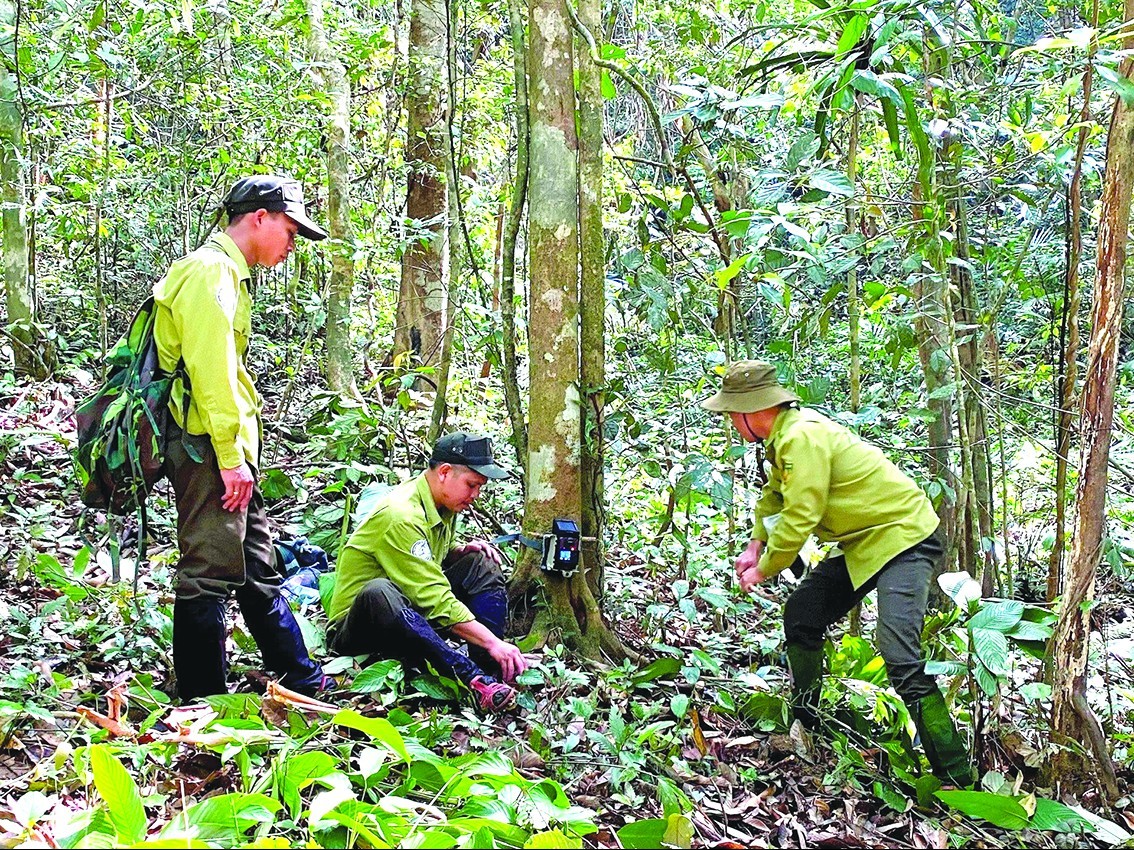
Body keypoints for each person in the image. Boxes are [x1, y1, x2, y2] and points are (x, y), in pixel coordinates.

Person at [701, 360, 973, 787]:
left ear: (753, 411)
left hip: (903, 538)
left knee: (900, 657)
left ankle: (957, 777)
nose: (732, 423)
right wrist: (756, 542)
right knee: (803, 613)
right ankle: (807, 723)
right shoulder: (784, 437)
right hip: (865, 543)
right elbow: (775, 498)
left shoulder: (801, 438)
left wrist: (766, 568)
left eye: (733, 415)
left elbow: (800, 515)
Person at [154, 174, 328, 701]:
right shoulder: (210, 273)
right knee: (207, 572)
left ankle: (300, 675)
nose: (293, 243)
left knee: (256, 564)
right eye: (290, 230)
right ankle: (201, 703)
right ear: (260, 218)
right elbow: (212, 373)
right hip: (206, 445)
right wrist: (231, 458)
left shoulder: (227, 273)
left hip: (224, 448)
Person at [327, 432, 527, 712]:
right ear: (444, 472)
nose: (475, 495)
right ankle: (472, 678)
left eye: (479, 487)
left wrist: (456, 551)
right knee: (378, 591)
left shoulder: (442, 504)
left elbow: (425, 560)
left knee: (481, 563)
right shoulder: (400, 515)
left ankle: (493, 671)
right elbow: (433, 598)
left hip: (410, 614)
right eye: (471, 485)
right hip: (361, 630)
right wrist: (492, 640)